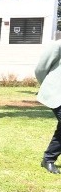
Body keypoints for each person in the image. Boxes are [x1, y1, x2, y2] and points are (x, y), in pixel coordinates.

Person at [35, 40, 61, 174]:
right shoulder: (58, 45)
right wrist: (47, 86)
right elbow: (40, 69)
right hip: (57, 93)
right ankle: (48, 159)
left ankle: (48, 159)